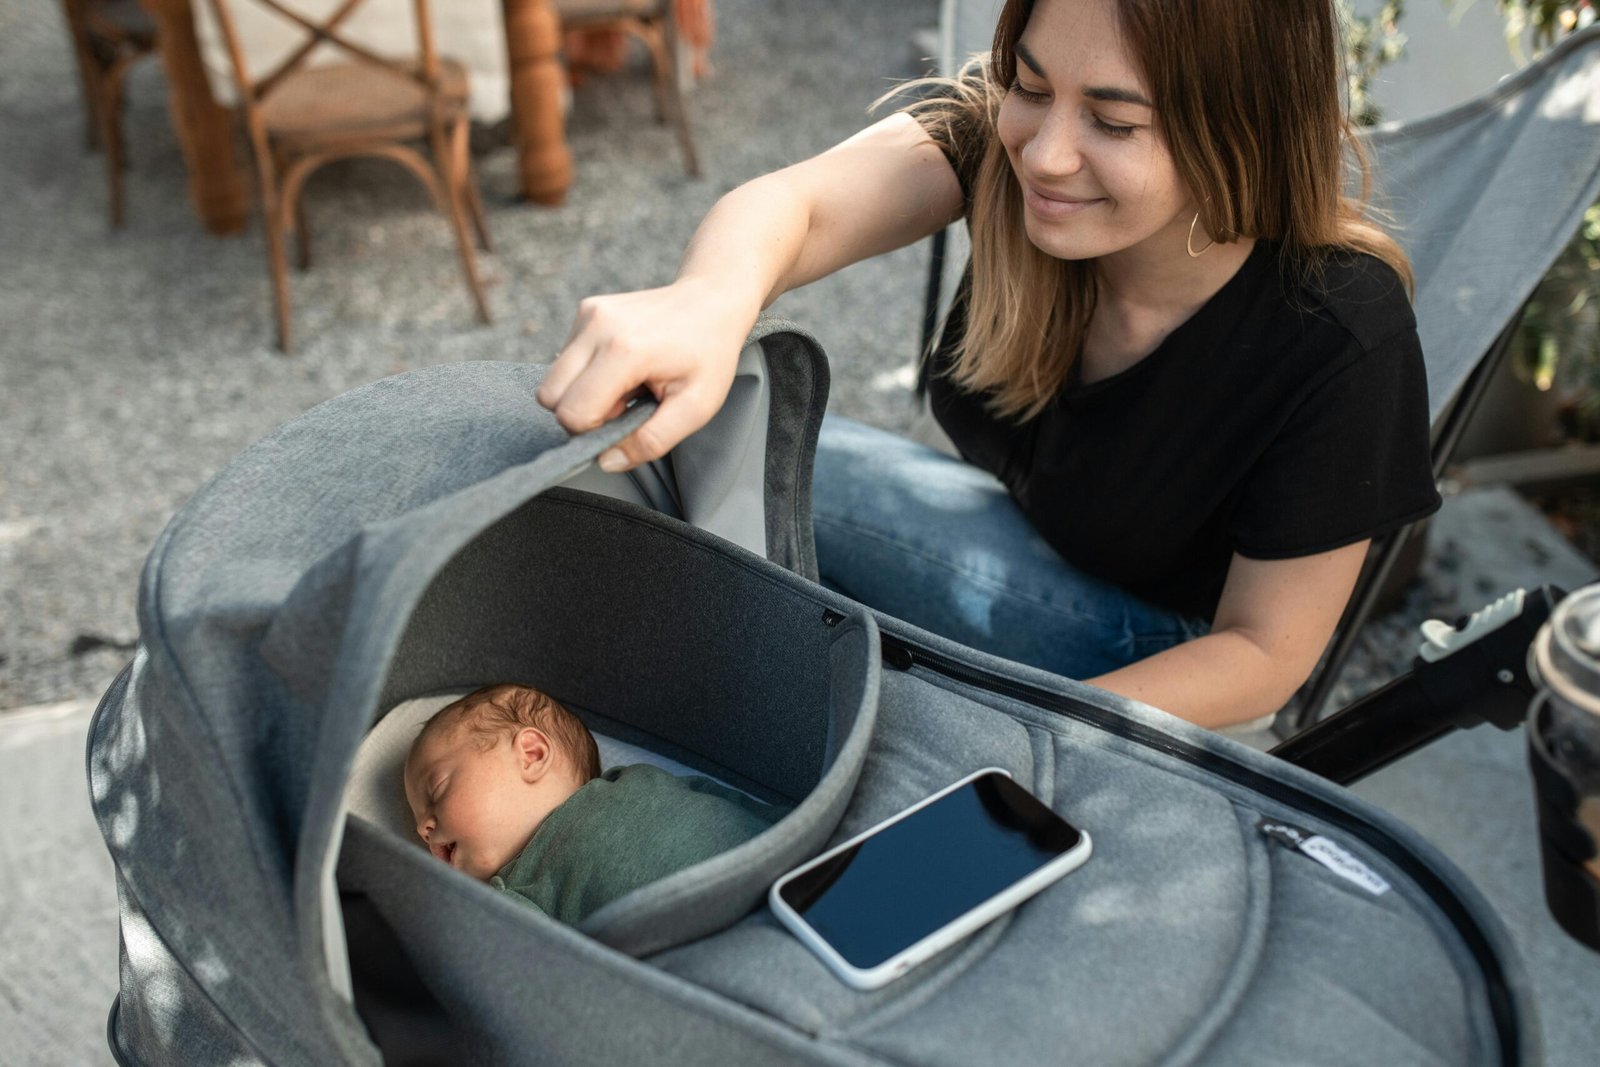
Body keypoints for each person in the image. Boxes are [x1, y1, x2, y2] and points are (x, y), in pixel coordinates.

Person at [535, 0, 1440, 729]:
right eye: (1031, 86)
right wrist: (705, 302)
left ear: (1239, 129)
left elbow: (1265, 656)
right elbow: (798, 207)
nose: (1045, 152)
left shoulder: (1341, 331)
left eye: (1115, 121)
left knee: (742, 455)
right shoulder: (1006, 149)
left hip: (1164, 656)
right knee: (698, 424)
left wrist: (1013, 738)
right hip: (1019, 539)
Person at [403, 683, 786, 923]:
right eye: (418, 816)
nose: (423, 828)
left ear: (532, 755)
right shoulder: (516, 895)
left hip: (788, 871)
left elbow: (727, 801)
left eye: (435, 791)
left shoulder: (637, 779)